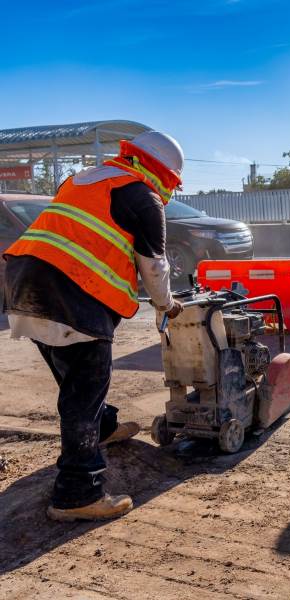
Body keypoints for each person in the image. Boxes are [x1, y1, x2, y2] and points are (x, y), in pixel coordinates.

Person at [3, 131, 186, 521]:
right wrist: (168, 305)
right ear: (164, 175)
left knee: (76, 378)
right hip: (71, 295)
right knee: (83, 392)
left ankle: (104, 427)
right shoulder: (143, 196)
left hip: (23, 283)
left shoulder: (85, 179)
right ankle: (77, 493)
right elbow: (154, 266)